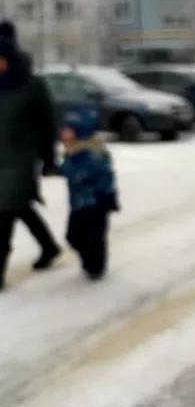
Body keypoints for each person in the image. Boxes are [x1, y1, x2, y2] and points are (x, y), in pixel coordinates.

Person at [0, 20, 62, 274]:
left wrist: (49, 158)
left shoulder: (32, 86)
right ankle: (48, 246)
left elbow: (47, 124)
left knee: (4, 213)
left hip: (21, 160)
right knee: (19, 206)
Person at [60, 108, 118, 280]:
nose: (63, 132)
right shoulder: (75, 149)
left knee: (94, 237)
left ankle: (96, 267)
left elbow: (83, 173)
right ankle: (90, 260)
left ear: (80, 130)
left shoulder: (93, 151)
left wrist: (60, 169)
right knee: (74, 236)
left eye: (68, 129)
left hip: (96, 203)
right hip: (80, 203)